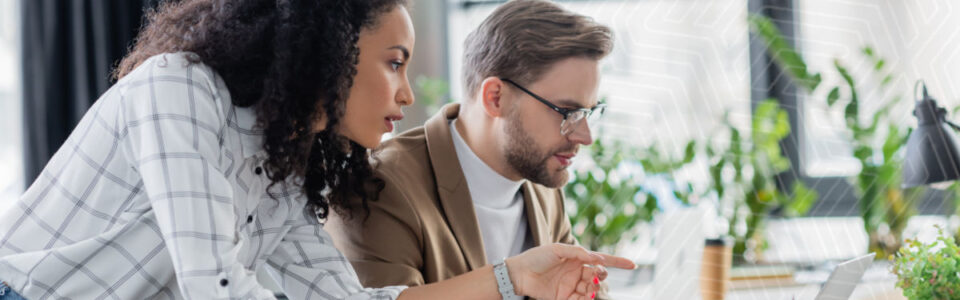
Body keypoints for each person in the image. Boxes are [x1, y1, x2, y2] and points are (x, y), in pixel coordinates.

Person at [0, 1, 633, 299]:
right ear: (329, 49)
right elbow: (215, 287)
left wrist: (514, 276)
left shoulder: (284, 164)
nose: (408, 93)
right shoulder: (179, 88)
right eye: (394, 63)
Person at [325, 0, 615, 296]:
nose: (585, 136)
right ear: (495, 98)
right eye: (567, 112)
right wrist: (508, 279)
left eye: (588, 113)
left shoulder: (543, 182)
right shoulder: (380, 186)